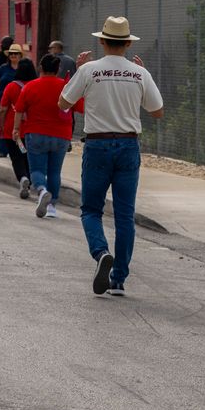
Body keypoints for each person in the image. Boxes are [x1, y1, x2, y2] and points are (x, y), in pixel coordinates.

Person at [60, 16, 164, 297]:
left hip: (97, 144)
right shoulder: (140, 73)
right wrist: (142, 79)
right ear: (129, 43)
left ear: (102, 41)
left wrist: (79, 72)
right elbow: (157, 111)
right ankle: (118, 278)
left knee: (91, 209)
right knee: (124, 215)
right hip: (129, 145)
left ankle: (101, 251)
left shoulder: (90, 70)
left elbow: (64, 102)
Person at [14, 52, 77, 219]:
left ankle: (41, 191)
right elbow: (79, 107)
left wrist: (15, 130)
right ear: (58, 69)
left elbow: (19, 110)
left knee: (37, 169)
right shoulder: (65, 86)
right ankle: (52, 207)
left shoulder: (30, 86)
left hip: (35, 133)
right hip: (61, 134)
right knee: (55, 172)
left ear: (40, 68)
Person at [0, 53, 37, 198]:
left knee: (16, 157)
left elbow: (3, 109)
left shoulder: (11, 87)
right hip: (31, 129)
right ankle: (29, 179)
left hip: (12, 128)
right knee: (27, 156)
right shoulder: (35, 86)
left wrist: (0, 126)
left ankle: (22, 178)